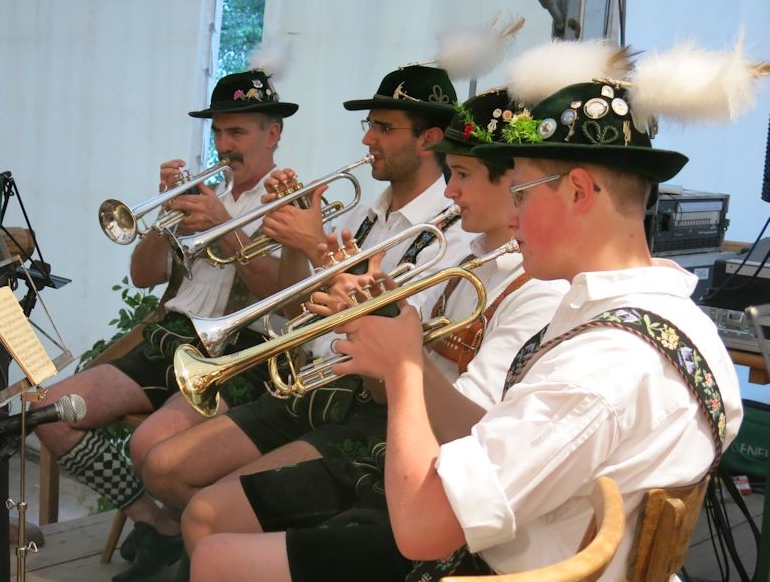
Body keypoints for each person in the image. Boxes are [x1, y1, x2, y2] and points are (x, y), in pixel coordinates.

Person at [313, 75, 745, 578]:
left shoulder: (602, 366)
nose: (512, 218)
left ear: (578, 191)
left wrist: (404, 370)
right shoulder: (682, 321)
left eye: (520, 195)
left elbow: (419, 528)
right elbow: (498, 438)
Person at [181, 87, 571, 582]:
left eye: (462, 175)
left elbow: (459, 437)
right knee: (201, 510)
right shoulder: (468, 256)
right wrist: (369, 318)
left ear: (514, 182)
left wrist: (384, 330)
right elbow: (376, 377)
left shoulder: (522, 283)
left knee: (210, 526)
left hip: (416, 469)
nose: (449, 191)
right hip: (384, 432)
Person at [139, 64, 475, 523]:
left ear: (429, 139)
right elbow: (296, 305)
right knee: (163, 467)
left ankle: (243, 539)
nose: (367, 139)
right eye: (369, 125)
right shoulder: (366, 215)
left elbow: (395, 331)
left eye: (384, 128)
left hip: (362, 401)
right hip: (309, 380)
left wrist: (314, 244)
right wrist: (295, 241)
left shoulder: (452, 232)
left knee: (212, 506)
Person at [35, 68, 298, 581]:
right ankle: (156, 524)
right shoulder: (204, 195)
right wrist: (163, 218)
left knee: (149, 445)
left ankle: (196, 542)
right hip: (170, 338)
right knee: (50, 412)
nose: (224, 144)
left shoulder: (288, 200)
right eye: (217, 132)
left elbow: (284, 298)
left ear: (273, 134)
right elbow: (143, 276)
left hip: (237, 350)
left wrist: (225, 227)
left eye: (237, 132)